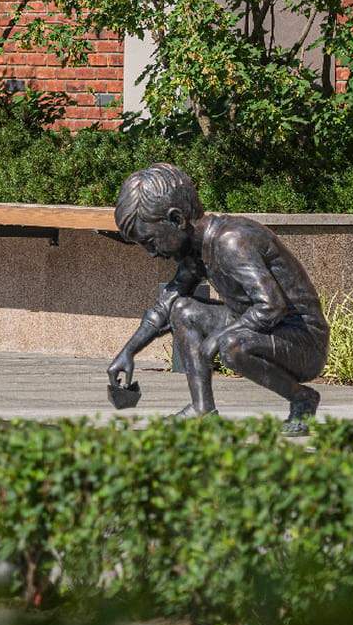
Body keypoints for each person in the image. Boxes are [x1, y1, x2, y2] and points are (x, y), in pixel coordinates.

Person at [106, 162, 329, 431]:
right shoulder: (196, 249)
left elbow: (271, 306)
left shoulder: (231, 241)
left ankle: (302, 398)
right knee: (183, 310)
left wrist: (220, 337)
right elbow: (165, 306)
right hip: (262, 329)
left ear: (176, 220)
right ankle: (203, 409)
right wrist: (128, 352)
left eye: (151, 242)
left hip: (303, 343)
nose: (152, 253)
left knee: (232, 344)